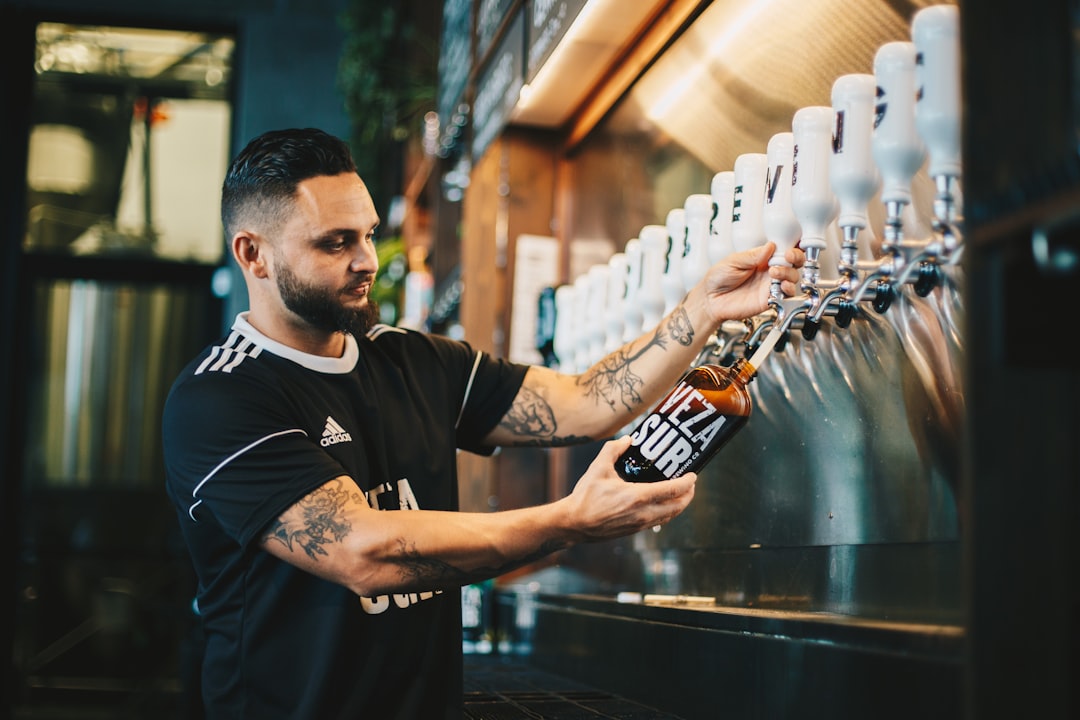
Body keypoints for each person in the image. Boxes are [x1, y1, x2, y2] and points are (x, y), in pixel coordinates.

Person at [162, 127, 805, 719]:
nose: (366, 261)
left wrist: (701, 311)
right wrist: (568, 523)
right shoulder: (221, 398)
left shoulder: (411, 360)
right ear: (254, 255)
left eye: (365, 235)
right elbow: (365, 553)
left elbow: (585, 402)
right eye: (336, 243)